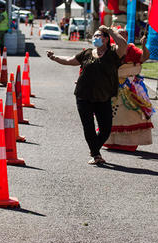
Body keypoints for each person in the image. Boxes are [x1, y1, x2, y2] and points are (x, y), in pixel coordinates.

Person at [46, 25, 127, 165]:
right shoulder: (87, 53)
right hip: (83, 95)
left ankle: (94, 148)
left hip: (103, 97)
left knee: (106, 129)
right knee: (88, 126)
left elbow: (123, 45)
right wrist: (54, 58)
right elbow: (70, 60)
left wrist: (110, 30)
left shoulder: (113, 53)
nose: (95, 38)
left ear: (107, 39)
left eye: (99, 36)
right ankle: (96, 154)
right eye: (94, 36)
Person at [103, 29, 154, 151]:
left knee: (132, 115)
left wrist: (143, 45)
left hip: (129, 88)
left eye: (125, 34)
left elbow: (144, 57)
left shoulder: (131, 49)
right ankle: (110, 141)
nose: (123, 35)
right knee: (111, 115)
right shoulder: (108, 49)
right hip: (111, 86)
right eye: (120, 33)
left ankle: (129, 143)